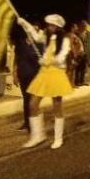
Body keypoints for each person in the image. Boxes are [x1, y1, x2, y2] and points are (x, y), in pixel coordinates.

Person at [18, 14, 74, 149]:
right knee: (32, 104)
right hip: (44, 73)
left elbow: (61, 58)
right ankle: (38, 136)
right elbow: (36, 36)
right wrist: (25, 23)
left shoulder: (65, 39)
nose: (49, 27)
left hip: (56, 73)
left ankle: (58, 138)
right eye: (48, 25)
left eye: (52, 25)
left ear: (58, 27)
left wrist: (48, 61)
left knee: (57, 107)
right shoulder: (47, 35)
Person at [11, 24, 41, 132]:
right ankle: (27, 123)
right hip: (23, 76)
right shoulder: (20, 43)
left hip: (35, 76)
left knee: (33, 101)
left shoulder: (38, 45)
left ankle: (34, 125)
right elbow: (16, 60)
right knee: (26, 99)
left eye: (35, 30)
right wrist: (14, 74)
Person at [73, 21, 89, 87]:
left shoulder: (86, 34)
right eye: (84, 26)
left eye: (86, 26)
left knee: (84, 67)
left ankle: (82, 81)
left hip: (85, 52)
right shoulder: (77, 33)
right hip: (79, 52)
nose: (85, 27)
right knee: (78, 68)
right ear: (81, 26)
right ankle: (77, 82)